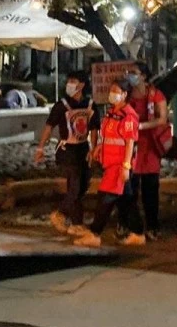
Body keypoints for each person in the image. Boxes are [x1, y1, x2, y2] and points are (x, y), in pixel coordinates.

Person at [73, 79, 146, 247]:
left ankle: (95, 233)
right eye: (111, 90)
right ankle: (138, 233)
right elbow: (109, 137)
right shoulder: (112, 112)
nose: (112, 94)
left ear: (125, 94)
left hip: (118, 164)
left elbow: (129, 142)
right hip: (110, 162)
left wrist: (126, 166)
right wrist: (99, 147)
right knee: (126, 200)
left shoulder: (128, 116)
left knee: (105, 198)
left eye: (116, 91)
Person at [35, 71, 95, 235]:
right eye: (68, 81)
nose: (69, 84)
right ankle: (61, 214)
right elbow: (49, 127)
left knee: (82, 186)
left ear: (82, 85)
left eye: (73, 81)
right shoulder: (61, 105)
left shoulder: (89, 104)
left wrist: (93, 148)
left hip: (83, 149)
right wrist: (40, 148)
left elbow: (94, 128)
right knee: (74, 186)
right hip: (66, 150)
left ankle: (76, 222)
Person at [127, 62, 170, 240]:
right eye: (129, 72)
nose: (130, 76)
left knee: (150, 190)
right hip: (132, 147)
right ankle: (133, 226)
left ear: (143, 76)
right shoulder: (127, 95)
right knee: (130, 188)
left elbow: (162, 119)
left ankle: (152, 226)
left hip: (150, 146)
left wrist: (141, 126)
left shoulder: (156, 95)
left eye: (134, 73)